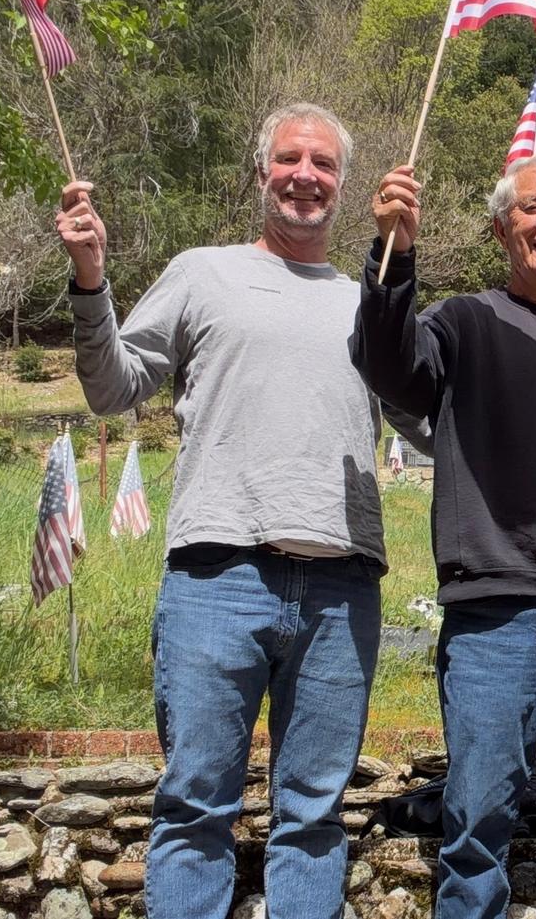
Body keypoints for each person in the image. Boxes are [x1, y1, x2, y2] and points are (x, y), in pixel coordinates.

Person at [58, 102, 407, 919]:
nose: (306, 175)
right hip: (218, 573)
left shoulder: (372, 303)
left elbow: (434, 414)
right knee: (195, 804)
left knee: (315, 814)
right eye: (290, 158)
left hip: (342, 583)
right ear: (260, 172)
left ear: (344, 185)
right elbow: (112, 387)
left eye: (324, 164)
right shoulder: (200, 272)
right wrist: (89, 278)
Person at [351, 150, 536, 919]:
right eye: (532, 207)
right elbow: (386, 363)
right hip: (491, 615)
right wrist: (393, 254)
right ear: (501, 228)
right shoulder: (460, 321)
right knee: (476, 826)